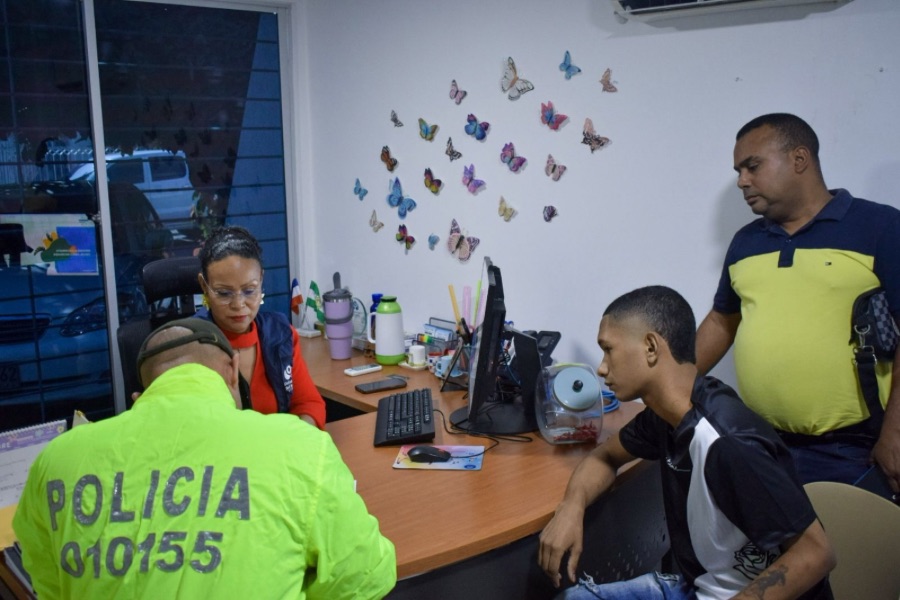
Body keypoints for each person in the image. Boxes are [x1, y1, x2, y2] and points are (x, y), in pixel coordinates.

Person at [13, 318, 396, 600]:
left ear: (140, 395)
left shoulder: (56, 460)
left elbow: (48, 581)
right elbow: (365, 576)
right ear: (232, 371)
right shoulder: (300, 445)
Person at [539, 286, 834, 600]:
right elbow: (605, 456)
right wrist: (571, 507)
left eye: (608, 349)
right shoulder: (665, 414)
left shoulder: (727, 442)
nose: (601, 367)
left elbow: (815, 554)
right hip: (701, 587)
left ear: (651, 347)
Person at [695, 113, 900, 495]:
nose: (742, 181)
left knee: (854, 536)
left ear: (799, 159)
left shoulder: (880, 226)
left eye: (752, 166)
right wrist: (670, 386)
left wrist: (895, 433)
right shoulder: (745, 243)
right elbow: (723, 320)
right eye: (739, 171)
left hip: (855, 449)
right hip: (763, 444)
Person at [196, 225, 326, 428]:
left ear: (261, 280)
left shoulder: (280, 334)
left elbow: (309, 404)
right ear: (205, 286)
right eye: (224, 293)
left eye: (249, 290)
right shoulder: (191, 345)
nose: (238, 304)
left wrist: (294, 440)